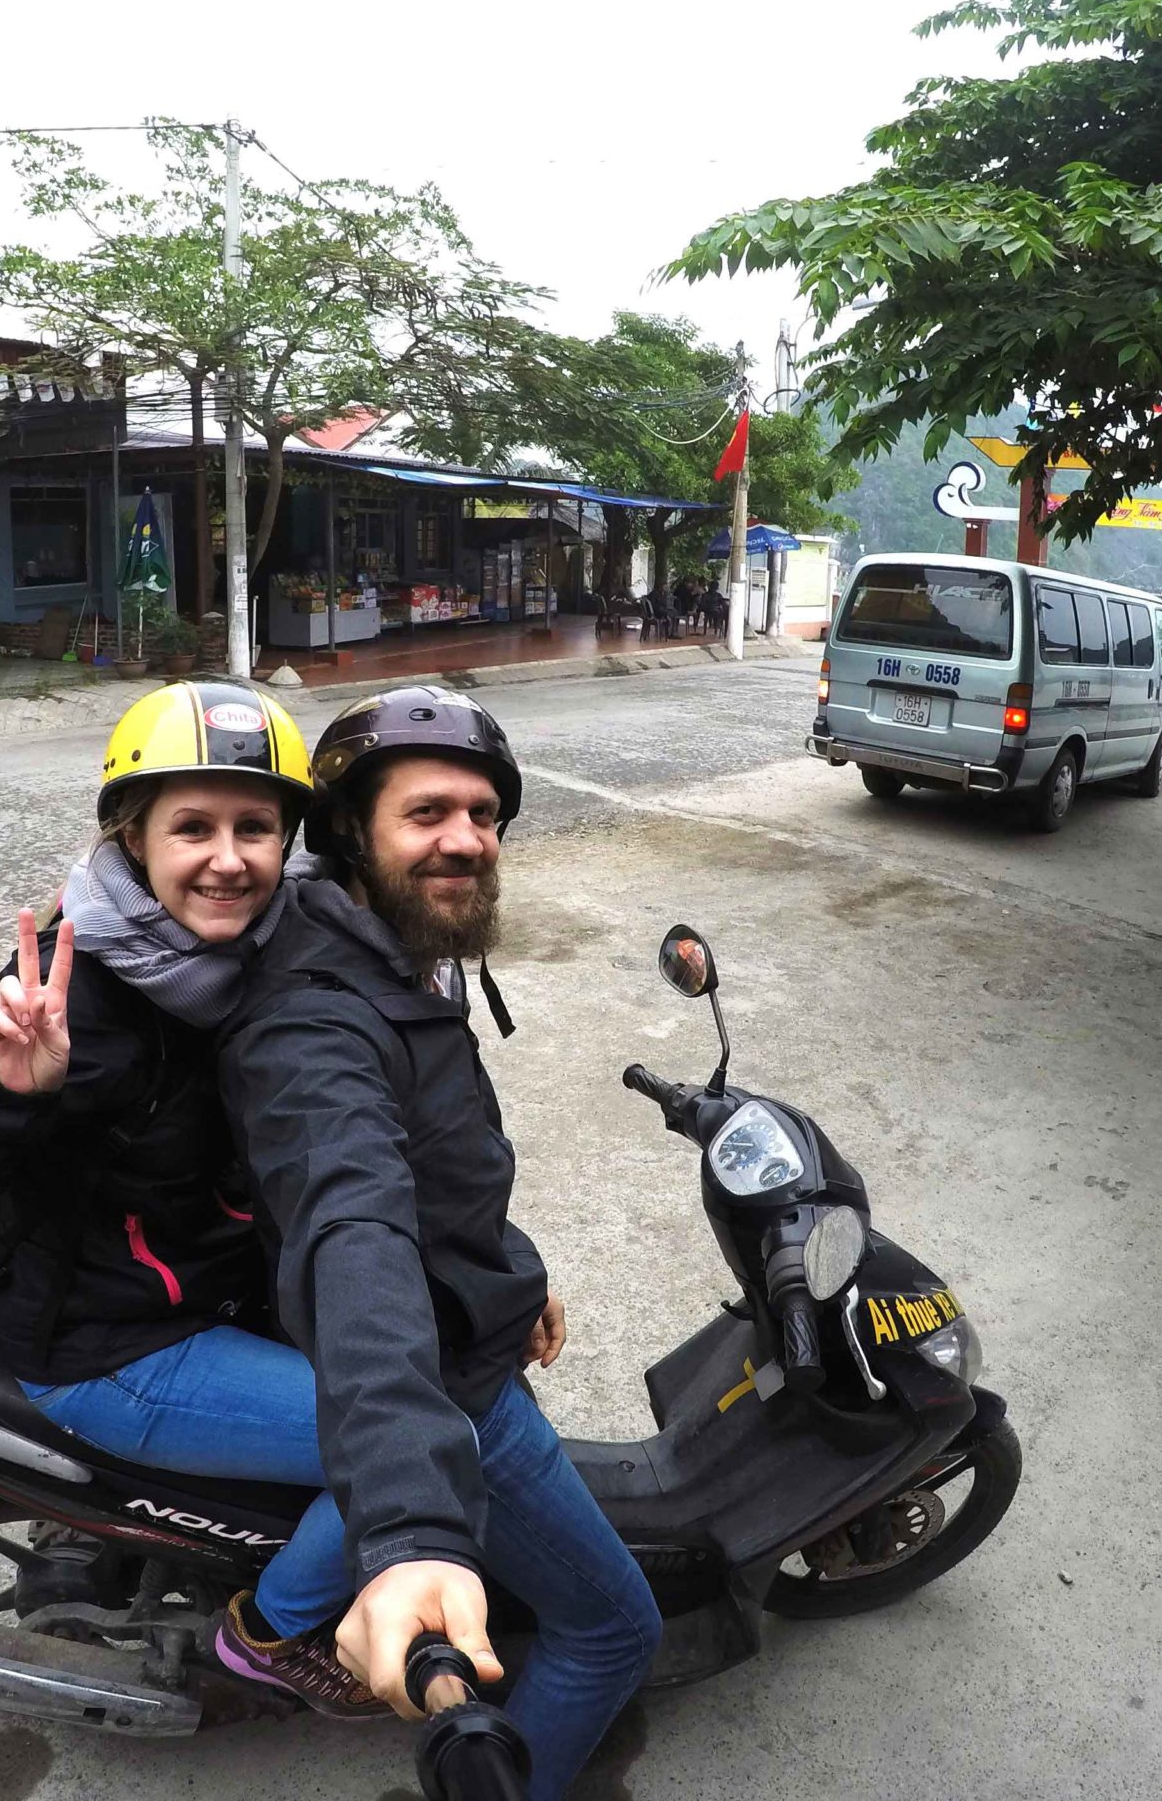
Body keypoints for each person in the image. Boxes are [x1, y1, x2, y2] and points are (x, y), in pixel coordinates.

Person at [0, 679, 384, 1718]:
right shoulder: (80, 1001)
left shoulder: (267, 956)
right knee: (415, 1440)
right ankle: (275, 1632)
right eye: (191, 827)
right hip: (115, 1348)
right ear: (131, 836)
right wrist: (15, 1101)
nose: (227, 858)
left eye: (255, 827)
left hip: (219, 1287)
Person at [217, 686, 662, 1801]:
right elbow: (354, 1221)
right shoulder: (314, 1018)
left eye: (482, 813)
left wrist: (515, 1270)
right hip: (446, 1380)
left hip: (470, 1319)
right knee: (614, 1628)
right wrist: (415, 1530)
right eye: (426, 814)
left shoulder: (397, 945)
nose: (464, 838)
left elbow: (439, 1157)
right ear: (350, 836)